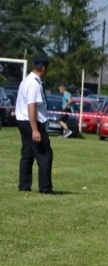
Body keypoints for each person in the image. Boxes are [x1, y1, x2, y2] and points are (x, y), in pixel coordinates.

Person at [16, 55, 55, 194]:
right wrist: (35, 130)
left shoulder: (26, 81)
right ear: (44, 68)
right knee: (45, 154)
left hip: (22, 120)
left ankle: (24, 185)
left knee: (27, 153)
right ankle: (45, 188)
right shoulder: (34, 84)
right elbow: (31, 106)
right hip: (31, 122)